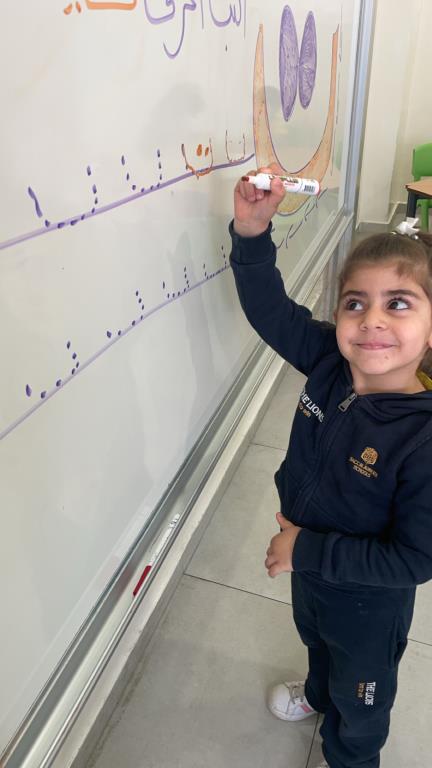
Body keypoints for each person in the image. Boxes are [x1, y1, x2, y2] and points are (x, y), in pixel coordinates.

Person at [229, 168, 432, 768]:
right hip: (309, 565)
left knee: (362, 697)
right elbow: (270, 311)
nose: (372, 320)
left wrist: (306, 549)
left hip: (369, 600)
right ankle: (319, 695)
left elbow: (415, 559)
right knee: (316, 641)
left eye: (399, 304)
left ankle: (351, 757)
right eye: (354, 303)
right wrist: (251, 232)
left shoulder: (423, 439)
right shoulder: (328, 360)